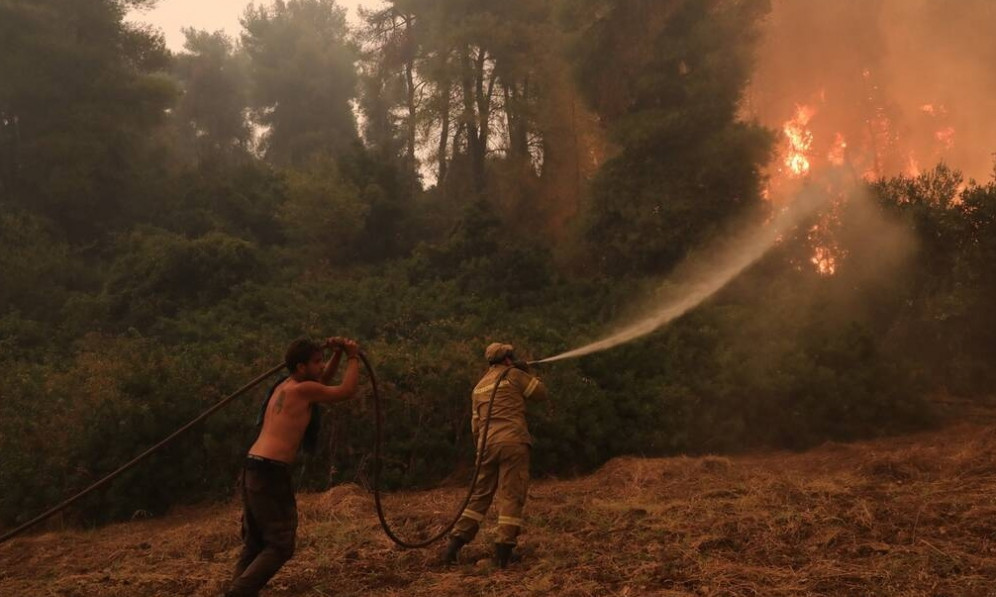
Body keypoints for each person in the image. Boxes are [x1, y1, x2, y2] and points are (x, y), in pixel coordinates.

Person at [226, 337, 362, 597]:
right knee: (280, 545)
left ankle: (239, 591)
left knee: (255, 544)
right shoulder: (302, 390)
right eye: (317, 362)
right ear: (300, 367)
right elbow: (345, 391)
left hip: (254, 466)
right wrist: (353, 357)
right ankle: (238, 593)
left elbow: (320, 383)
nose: (321, 367)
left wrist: (336, 354)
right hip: (270, 472)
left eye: (322, 361)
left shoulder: (287, 385)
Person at [443, 342, 549, 568]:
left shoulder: (479, 386)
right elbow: (540, 394)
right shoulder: (514, 375)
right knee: (511, 494)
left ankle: (453, 546)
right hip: (512, 442)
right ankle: (503, 553)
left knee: (479, 496)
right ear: (509, 358)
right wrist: (526, 373)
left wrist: (481, 449)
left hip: (485, 446)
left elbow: (475, 425)